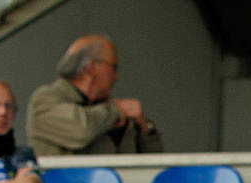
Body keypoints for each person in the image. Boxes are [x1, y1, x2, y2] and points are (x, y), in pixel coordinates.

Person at [27, 34, 161, 156]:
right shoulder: (45, 99)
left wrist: (145, 126)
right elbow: (80, 130)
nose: (116, 77)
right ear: (90, 68)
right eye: (113, 67)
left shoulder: (107, 109)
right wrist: (115, 110)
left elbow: (155, 160)